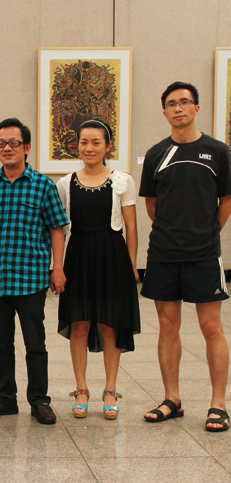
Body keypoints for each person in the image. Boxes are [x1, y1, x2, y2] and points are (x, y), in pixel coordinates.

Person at [140, 81, 231, 432]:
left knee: (212, 328)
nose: (178, 108)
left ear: (196, 107)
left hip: (204, 254)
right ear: (164, 112)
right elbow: (152, 204)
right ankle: (172, 399)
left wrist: (209, 231)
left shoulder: (217, 151)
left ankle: (218, 404)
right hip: (163, 253)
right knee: (167, 326)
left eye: (184, 102)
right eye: (171, 104)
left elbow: (226, 199)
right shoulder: (156, 154)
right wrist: (173, 230)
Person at [0, 118, 68, 425]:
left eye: (13, 143)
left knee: (35, 343)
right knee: (0, 343)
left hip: (32, 277)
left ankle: (39, 400)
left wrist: (58, 268)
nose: (7, 148)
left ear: (27, 147)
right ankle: (4, 398)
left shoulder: (43, 186)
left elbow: (57, 229)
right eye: (1, 144)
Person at [56, 119, 141, 420]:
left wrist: (132, 265)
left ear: (108, 146)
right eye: (83, 142)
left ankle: (110, 389)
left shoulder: (122, 181)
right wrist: (57, 267)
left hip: (113, 258)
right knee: (79, 324)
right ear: (77, 145)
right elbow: (60, 229)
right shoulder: (65, 183)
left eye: (96, 142)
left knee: (109, 325)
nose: (89, 148)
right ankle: (81, 388)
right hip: (78, 257)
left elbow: (131, 227)